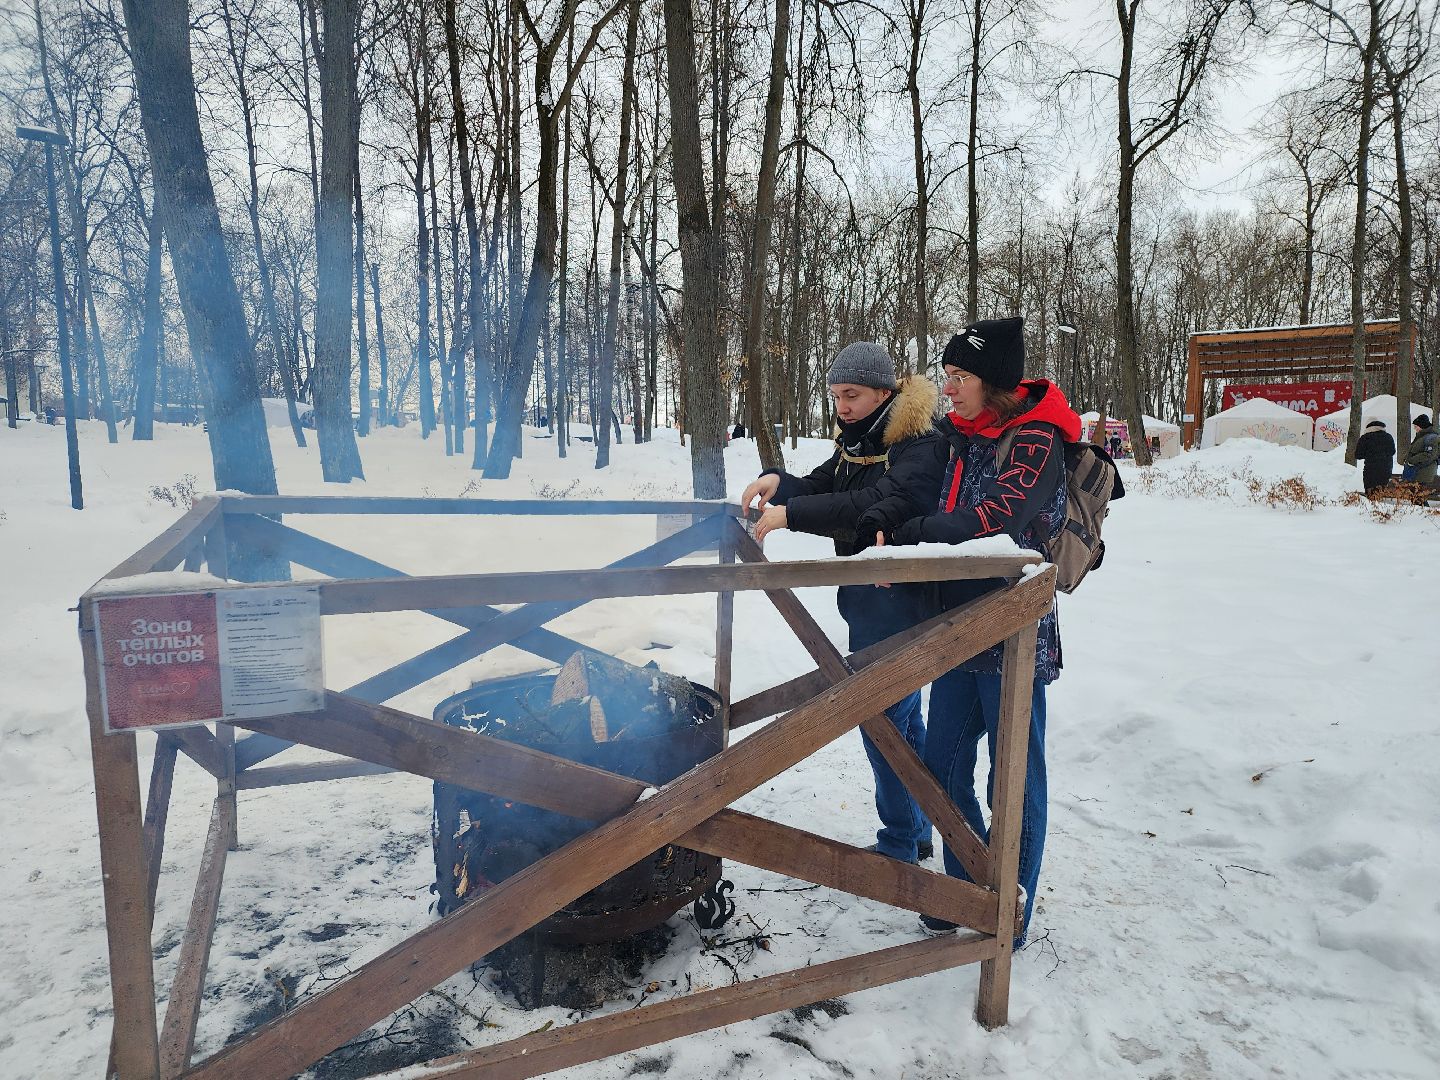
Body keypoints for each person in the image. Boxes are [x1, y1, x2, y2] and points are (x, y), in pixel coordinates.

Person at [862, 316, 1081, 945]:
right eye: (948, 375)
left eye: (959, 377)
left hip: (1014, 634)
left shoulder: (1037, 439)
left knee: (1012, 777)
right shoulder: (961, 437)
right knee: (943, 765)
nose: (948, 387)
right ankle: (963, 890)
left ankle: (1007, 910)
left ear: (995, 383)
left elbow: (992, 518)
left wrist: (904, 541)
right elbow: (927, 502)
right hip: (954, 628)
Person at [740, 342, 947, 864]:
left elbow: (865, 506)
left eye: (852, 395)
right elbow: (824, 483)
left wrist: (789, 515)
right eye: (836, 397)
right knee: (901, 722)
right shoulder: (861, 439)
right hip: (869, 603)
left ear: (886, 391)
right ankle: (918, 829)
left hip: (906, 602)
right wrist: (779, 482)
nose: (843, 407)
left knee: (881, 724)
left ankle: (899, 844)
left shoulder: (920, 443)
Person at [1355, 420, 1396, 494]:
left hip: (1371, 470)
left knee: (1371, 493)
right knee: (1382, 492)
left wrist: (1370, 454)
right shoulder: (1388, 436)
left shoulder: (1365, 437)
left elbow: (1358, 455)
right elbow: (1392, 451)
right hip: (1386, 469)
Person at [1401, 414, 1439, 485]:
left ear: (1422, 426)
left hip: (1423, 475)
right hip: (1416, 473)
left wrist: (1411, 461)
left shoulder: (1431, 438)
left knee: (1419, 494)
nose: (1415, 429)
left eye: (1416, 426)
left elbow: (1429, 455)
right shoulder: (1421, 437)